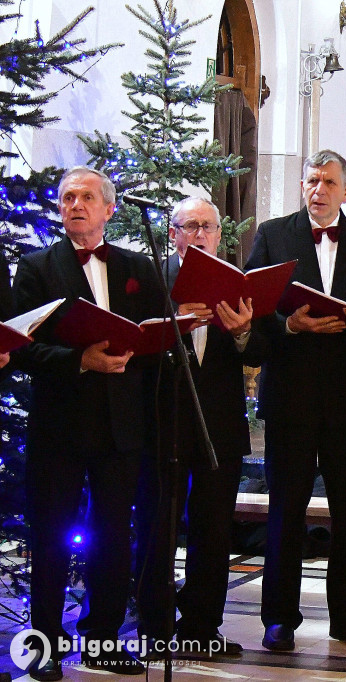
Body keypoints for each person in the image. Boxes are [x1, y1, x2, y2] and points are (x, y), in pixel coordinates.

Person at [12, 167, 163, 680]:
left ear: (109, 209)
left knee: (113, 538)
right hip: (60, 426)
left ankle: (101, 641)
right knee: (52, 537)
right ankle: (46, 646)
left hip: (121, 428)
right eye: (67, 197)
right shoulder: (35, 268)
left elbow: (155, 343)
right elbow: (23, 348)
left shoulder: (138, 266)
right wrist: (81, 360)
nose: (75, 204)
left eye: (86, 197)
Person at [245, 150, 346, 651]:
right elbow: (251, 307)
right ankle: (279, 618)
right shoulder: (272, 234)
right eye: (311, 180)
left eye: (329, 182)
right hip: (290, 395)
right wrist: (289, 324)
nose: (319, 189)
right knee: (286, 509)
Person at [134, 197, 267, 659]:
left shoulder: (237, 284)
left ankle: (201, 627)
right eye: (189, 225)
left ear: (218, 234)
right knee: (157, 527)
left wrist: (244, 330)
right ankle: (153, 626)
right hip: (164, 422)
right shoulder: (154, 279)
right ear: (173, 234)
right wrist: (175, 322)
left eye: (207, 226)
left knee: (213, 533)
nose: (199, 234)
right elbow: (135, 346)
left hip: (220, 427)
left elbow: (259, 353)